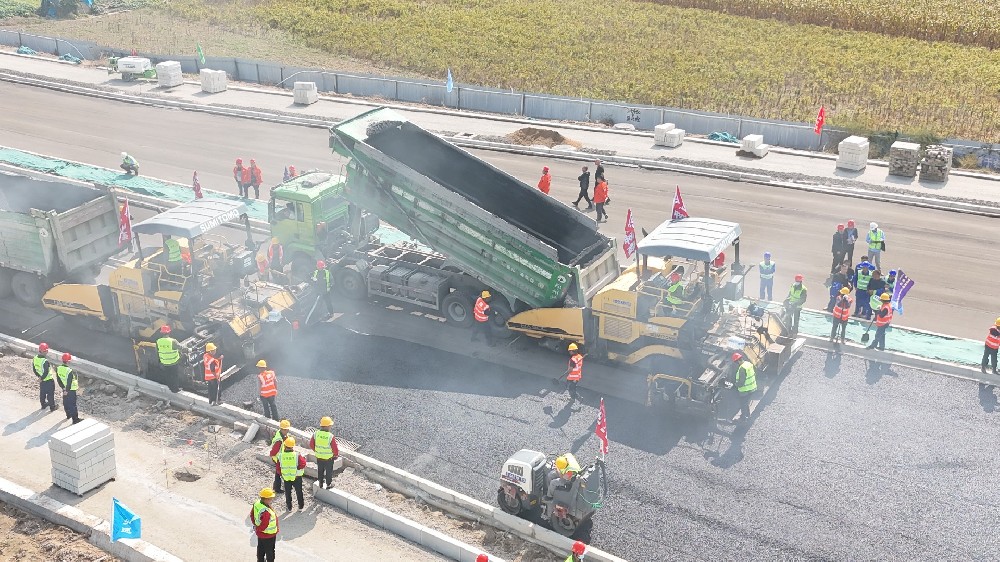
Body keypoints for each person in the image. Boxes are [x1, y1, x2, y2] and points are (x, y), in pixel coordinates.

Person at [277, 437, 307, 511]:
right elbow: (303, 464)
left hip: (286, 478)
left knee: (288, 492)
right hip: (296, 477)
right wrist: (297, 469)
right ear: (292, 446)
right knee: (299, 491)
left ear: (285, 445)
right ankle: (300, 507)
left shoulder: (281, 456)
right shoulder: (297, 455)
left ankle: (289, 507)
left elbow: (278, 468)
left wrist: (282, 474)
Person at [310, 416, 339, 489]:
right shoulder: (330, 436)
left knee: (320, 470)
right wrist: (335, 455)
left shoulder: (316, 434)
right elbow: (334, 448)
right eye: (330, 426)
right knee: (329, 471)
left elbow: (311, 444)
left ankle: (320, 483)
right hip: (328, 458)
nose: (330, 427)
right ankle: (328, 484)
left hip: (319, 457)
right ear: (327, 426)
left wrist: (317, 451)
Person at [251, 488, 279, 562]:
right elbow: (264, 525)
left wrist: (256, 526)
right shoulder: (266, 512)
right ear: (266, 499)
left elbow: (252, 515)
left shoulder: (257, 504)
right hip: (269, 535)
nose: (272, 500)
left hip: (260, 534)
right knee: (270, 552)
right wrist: (258, 528)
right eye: (270, 498)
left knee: (260, 549)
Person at [56, 353, 81, 424]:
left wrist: (63, 388)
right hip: (71, 390)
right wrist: (67, 390)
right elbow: (69, 382)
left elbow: (59, 380)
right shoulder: (69, 371)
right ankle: (75, 419)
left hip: (64, 389)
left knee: (66, 402)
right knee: (73, 404)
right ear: (68, 361)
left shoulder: (59, 368)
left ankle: (68, 415)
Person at [156, 325, 182, 392]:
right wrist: (191, 349)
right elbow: (181, 348)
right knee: (174, 376)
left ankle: (170, 387)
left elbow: (157, 351)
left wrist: (160, 360)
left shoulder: (158, 341)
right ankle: (175, 389)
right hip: (173, 362)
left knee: (168, 375)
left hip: (165, 362)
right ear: (169, 332)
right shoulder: (173, 341)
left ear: (161, 333)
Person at [269, 420, 292, 494]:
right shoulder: (279, 440)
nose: (287, 431)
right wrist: (273, 456)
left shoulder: (281, 434)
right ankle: (277, 488)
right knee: (278, 474)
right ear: (281, 429)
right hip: (278, 459)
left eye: (287, 429)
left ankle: (277, 486)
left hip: (279, 458)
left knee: (278, 473)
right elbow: (274, 451)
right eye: (285, 429)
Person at [732, 352, 756, 423]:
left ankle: (743, 419)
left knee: (743, 404)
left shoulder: (742, 368)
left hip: (745, 390)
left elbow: (741, 383)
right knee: (745, 403)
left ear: (738, 361)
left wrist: (734, 385)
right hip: (752, 388)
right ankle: (747, 416)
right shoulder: (748, 364)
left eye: (736, 362)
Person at [34, 343, 57, 412]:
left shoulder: (35, 358)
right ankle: (52, 407)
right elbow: (46, 372)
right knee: (50, 394)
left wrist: (39, 377)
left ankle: (43, 405)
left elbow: (34, 369)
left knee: (42, 393)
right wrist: (42, 378)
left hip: (42, 381)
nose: (47, 352)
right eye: (46, 351)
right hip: (48, 380)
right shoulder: (45, 361)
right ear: (43, 351)